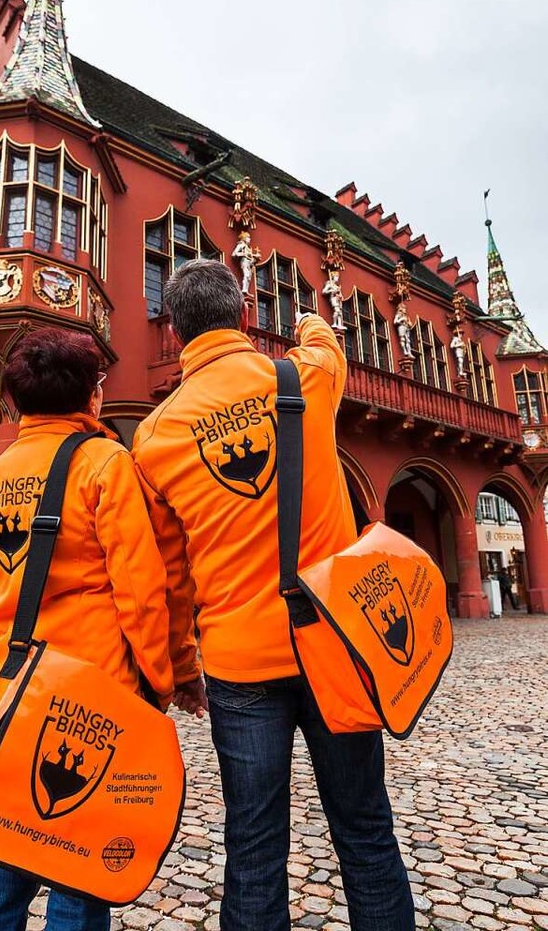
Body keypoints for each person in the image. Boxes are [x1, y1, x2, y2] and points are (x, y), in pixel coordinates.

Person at [132, 259, 415, 931]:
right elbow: (325, 337)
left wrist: (179, 667)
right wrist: (304, 316)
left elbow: (171, 574)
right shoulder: (305, 378)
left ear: (174, 333)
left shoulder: (155, 436)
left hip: (239, 666)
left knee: (253, 848)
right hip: (335, 648)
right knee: (367, 832)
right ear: (245, 315)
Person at [0, 328, 194, 931]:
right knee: (79, 868)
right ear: (92, 396)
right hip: (91, 698)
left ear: (14, 402)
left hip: (6, 698)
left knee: (1, 856)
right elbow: (141, 591)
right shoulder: (105, 463)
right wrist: (161, 685)